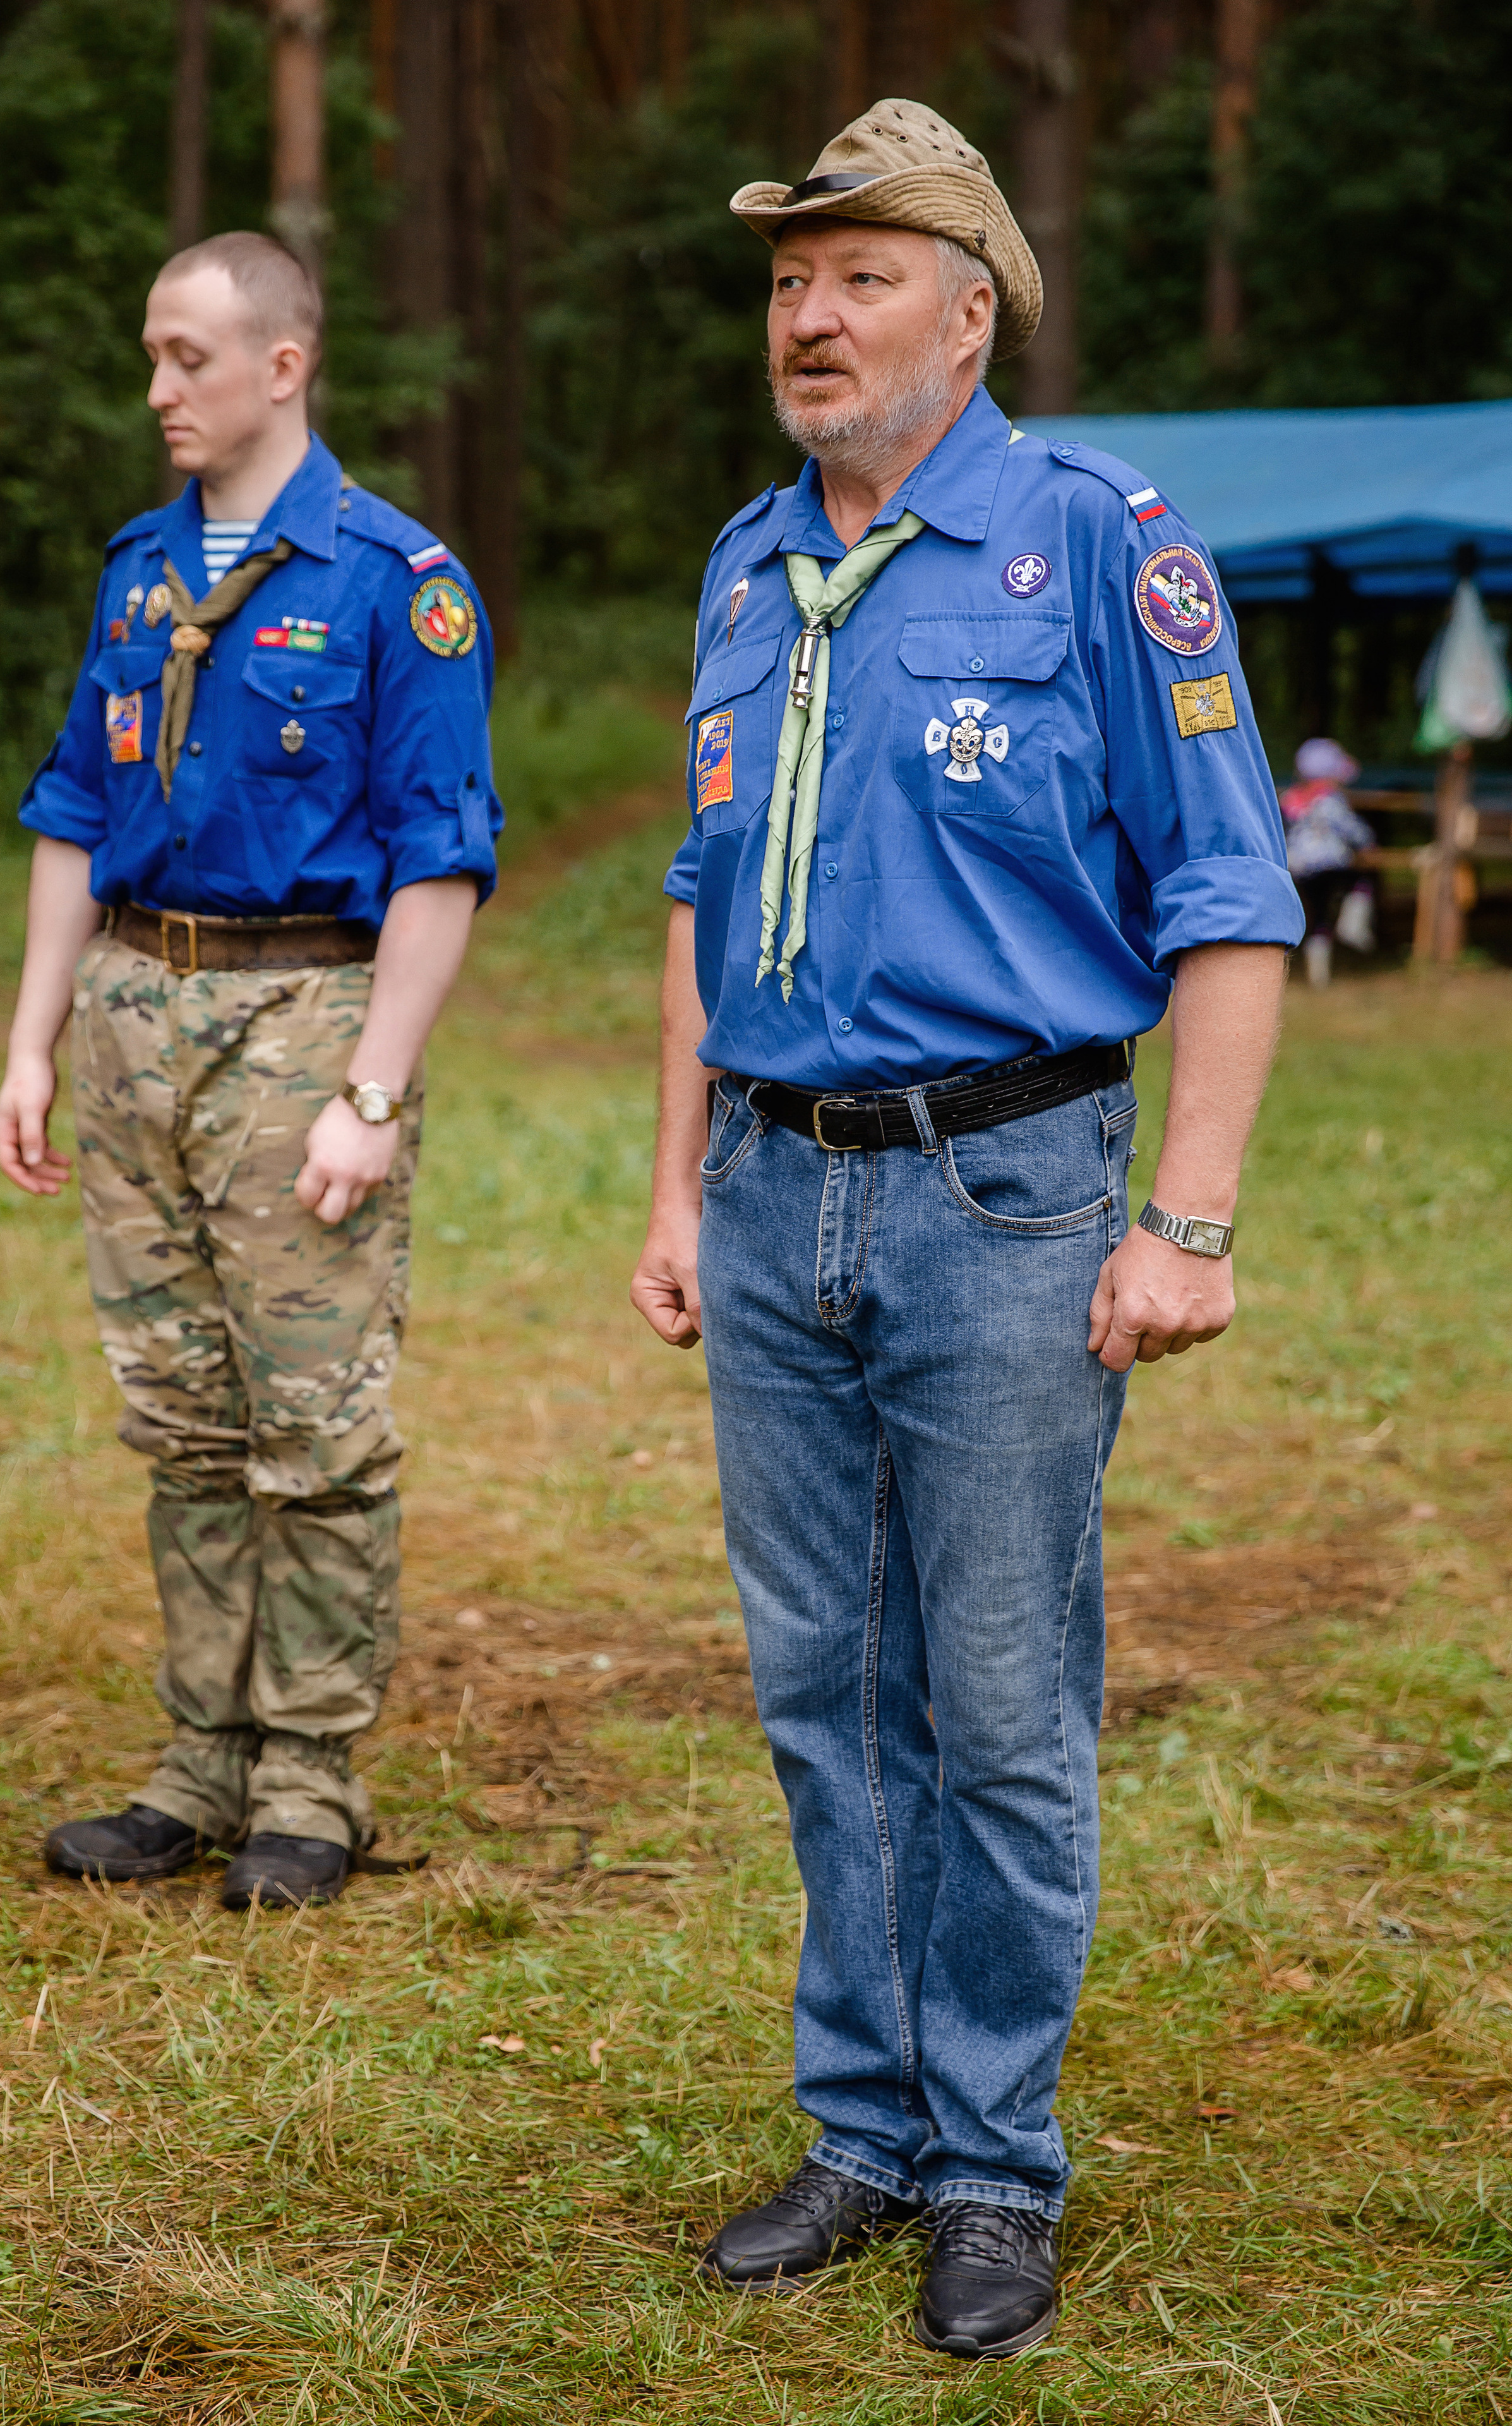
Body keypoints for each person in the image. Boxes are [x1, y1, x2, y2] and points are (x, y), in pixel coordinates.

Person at [629, 100, 1303, 2360]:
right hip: (766, 1189)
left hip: (1004, 1196)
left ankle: (992, 2161)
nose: (806, 318)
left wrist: (1183, 1221)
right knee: (826, 1693)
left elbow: (1226, 901)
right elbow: (693, 908)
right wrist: (671, 1184)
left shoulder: (1098, 544)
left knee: (995, 1703)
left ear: (967, 305)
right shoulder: (746, 563)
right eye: (786, 282)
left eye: (857, 275)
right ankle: (865, 2126)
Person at [0, 232, 500, 1910]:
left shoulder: (396, 582)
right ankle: (197, 1764)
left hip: (301, 1027)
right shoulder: (141, 571)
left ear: (284, 365)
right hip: (136, 1013)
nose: (159, 391)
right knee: (185, 1425)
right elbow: (76, 807)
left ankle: (310, 1777)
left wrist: (372, 1088)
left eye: (187, 358)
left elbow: (441, 859)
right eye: (151, 356)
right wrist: (33, 1042)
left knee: (315, 1427)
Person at [1279, 736, 1375, 986]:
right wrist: (1367, 842)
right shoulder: (1330, 799)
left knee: (1319, 915)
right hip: (1329, 863)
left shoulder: (1291, 798)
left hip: (1299, 868)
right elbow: (1348, 827)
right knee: (1362, 882)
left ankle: (1319, 976)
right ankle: (1354, 925)